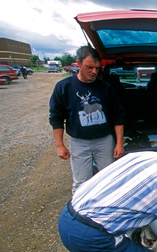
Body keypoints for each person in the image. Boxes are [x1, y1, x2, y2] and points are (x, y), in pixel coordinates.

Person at [49, 46, 126, 194]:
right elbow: (56, 117)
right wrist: (60, 145)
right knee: (81, 182)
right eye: (89, 67)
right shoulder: (64, 87)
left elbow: (118, 115)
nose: (94, 72)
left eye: (97, 68)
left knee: (108, 179)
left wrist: (119, 143)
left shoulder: (106, 88)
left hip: (104, 141)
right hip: (79, 142)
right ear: (78, 63)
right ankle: (80, 211)